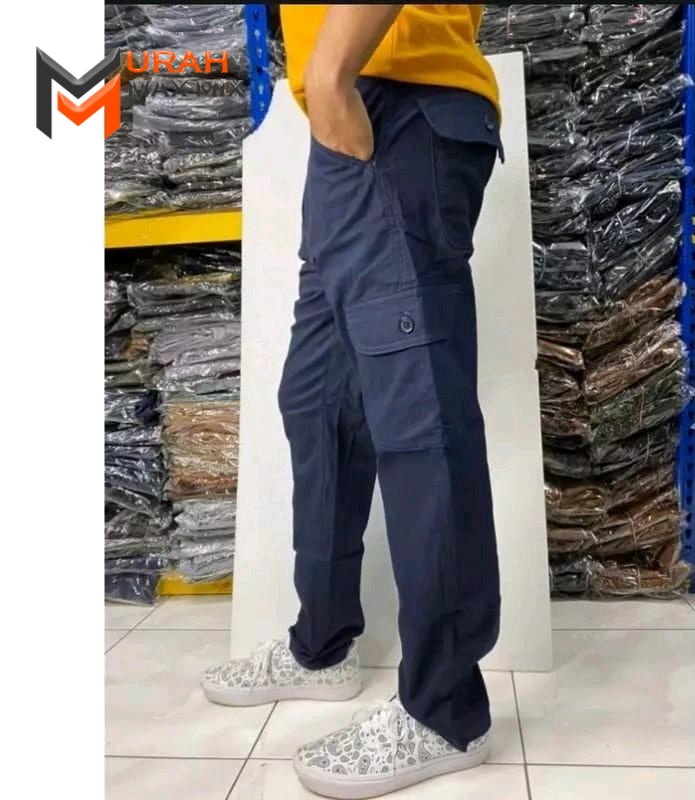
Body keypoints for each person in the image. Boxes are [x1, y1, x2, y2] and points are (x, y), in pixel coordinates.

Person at [203, 5, 503, 797]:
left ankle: (444, 708)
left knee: (417, 418)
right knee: (318, 398)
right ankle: (323, 644)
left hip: (398, 96)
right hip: (352, 109)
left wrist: (332, 73)